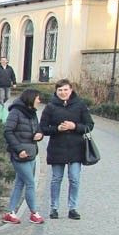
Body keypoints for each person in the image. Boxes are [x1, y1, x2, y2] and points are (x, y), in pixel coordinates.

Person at [39, 78, 93, 220]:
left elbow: (89, 125)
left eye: (65, 90)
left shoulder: (80, 105)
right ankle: (54, 208)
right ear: (56, 92)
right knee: (56, 179)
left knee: (74, 179)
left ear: (71, 90)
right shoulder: (50, 106)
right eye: (60, 90)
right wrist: (57, 128)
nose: (63, 92)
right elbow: (43, 128)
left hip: (76, 147)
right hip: (57, 147)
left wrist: (75, 126)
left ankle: (72, 208)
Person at [2, 88, 45, 225]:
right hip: (20, 154)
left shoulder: (32, 113)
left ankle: (10, 212)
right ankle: (34, 213)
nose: (39, 101)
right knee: (30, 183)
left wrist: (40, 135)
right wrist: (19, 149)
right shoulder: (16, 112)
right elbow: (8, 131)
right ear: (31, 98)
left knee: (20, 183)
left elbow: (37, 129)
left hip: (31, 152)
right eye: (38, 98)